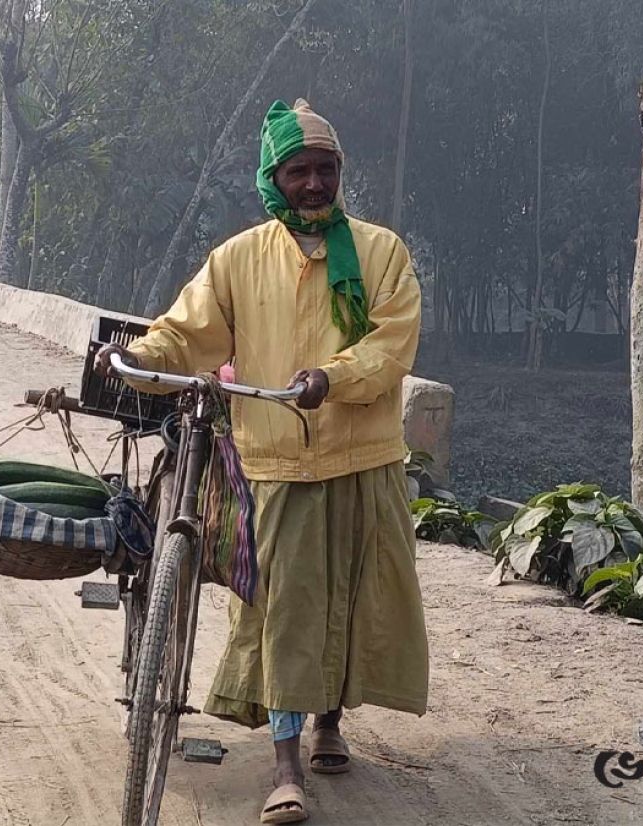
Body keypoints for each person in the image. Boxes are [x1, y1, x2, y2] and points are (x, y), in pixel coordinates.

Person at [95, 98, 428, 824]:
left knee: (350, 600)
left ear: (341, 173)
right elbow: (185, 335)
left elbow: (392, 343)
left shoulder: (382, 253)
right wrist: (138, 358)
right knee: (284, 614)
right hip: (276, 465)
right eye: (299, 171)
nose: (314, 185)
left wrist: (331, 377)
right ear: (272, 179)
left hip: (366, 458)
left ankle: (329, 722)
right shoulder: (239, 258)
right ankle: (285, 770)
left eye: (326, 170)